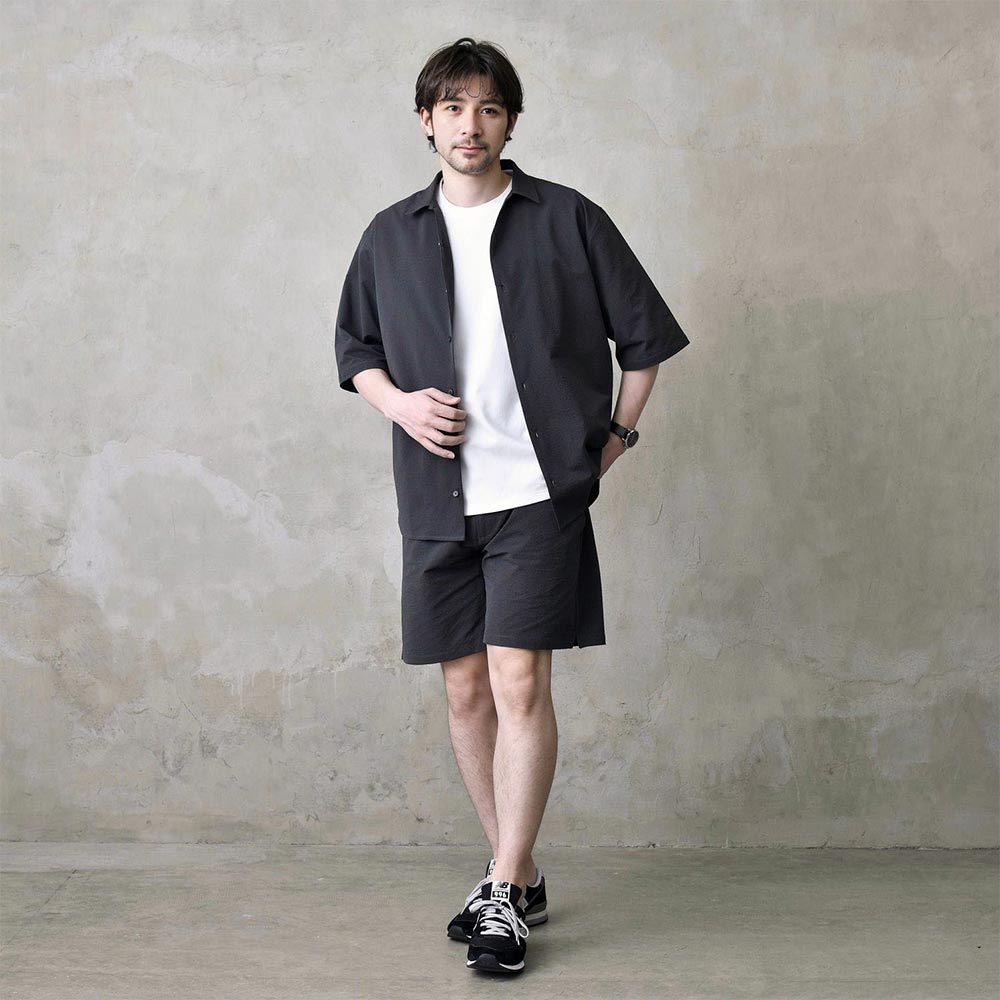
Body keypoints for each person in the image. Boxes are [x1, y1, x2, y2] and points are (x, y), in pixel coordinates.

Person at [334, 37, 690, 975]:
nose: (471, 125)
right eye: (453, 107)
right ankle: (516, 873)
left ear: (511, 122)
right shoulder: (390, 234)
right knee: (463, 689)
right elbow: (355, 350)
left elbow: (644, 342)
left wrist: (614, 440)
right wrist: (399, 404)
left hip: (536, 496)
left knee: (519, 682)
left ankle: (499, 888)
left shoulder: (567, 218)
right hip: (436, 496)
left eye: (488, 108)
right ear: (426, 120)